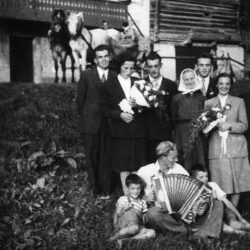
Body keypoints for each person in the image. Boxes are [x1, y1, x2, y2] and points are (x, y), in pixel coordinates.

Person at [137, 141, 224, 244]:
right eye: (173, 158)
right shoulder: (144, 171)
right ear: (163, 157)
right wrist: (146, 198)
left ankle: (205, 233)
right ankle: (190, 232)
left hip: (184, 212)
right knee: (152, 214)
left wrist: (199, 202)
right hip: (164, 214)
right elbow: (134, 197)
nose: (177, 160)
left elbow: (193, 192)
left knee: (217, 203)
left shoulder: (179, 169)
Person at [204, 72, 250, 223]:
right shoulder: (209, 103)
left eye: (227, 83)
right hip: (217, 148)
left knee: (237, 183)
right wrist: (210, 126)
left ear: (230, 85)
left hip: (236, 147)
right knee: (220, 183)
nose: (224, 86)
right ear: (216, 85)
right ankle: (221, 216)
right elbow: (204, 128)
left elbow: (244, 125)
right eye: (221, 83)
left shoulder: (238, 101)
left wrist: (229, 125)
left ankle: (232, 216)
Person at [101, 54, 147, 194]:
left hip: (137, 130)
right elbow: (103, 108)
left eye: (131, 68)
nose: (128, 71)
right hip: (120, 131)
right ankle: (128, 197)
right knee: (124, 165)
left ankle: (139, 196)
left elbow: (147, 105)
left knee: (138, 165)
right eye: (125, 67)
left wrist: (138, 104)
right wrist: (119, 115)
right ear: (119, 67)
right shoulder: (109, 84)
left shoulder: (139, 82)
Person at [76, 44, 117, 196]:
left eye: (106, 56)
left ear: (110, 57)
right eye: (100, 57)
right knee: (92, 158)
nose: (104, 59)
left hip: (109, 124)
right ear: (95, 60)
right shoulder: (87, 75)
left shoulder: (114, 75)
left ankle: (106, 189)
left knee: (106, 158)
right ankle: (95, 190)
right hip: (91, 124)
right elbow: (80, 101)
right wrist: (87, 119)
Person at [191, 164, 250, 234]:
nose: (205, 179)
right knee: (225, 226)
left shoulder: (212, 185)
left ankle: (239, 227)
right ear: (193, 179)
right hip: (199, 220)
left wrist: (240, 217)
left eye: (206, 176)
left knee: (219, 203)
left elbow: (227, 203)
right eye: (201, 177)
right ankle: (238, 232)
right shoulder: (190, 190)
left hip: (215, 216)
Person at [144, 52, 178, 163]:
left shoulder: (171, 85)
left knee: (166, 164)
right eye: (150, 66)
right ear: (146, 67)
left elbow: (174, 111)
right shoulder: (141, 84)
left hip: (165, 133)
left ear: (161, 65)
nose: (153, 69)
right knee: (149, 165)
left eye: (156, 66)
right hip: (146, 134)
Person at [171, 68, 205, 172]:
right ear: (182, 81)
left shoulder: (202, 97)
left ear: (196, 79)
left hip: (198, 132)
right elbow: (173, 118)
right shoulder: (177, 98)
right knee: (186, 159)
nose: (190, 82)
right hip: (182, 133)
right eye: (186, 79)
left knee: (199, 158)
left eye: (192, 78)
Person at [110, 174, 156, 246]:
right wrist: (115, 227)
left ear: (141, 188)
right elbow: (117, 214)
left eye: (138, 188)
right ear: (128, 188)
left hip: (137, 225)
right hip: (124, 225)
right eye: (133, 188)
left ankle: (126, 240)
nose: (136, 191)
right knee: (134, 224)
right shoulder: (123, 199)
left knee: (152, 233)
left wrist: (145, 215)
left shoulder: (142, 202)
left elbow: (144, 220)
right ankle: (117, 235)